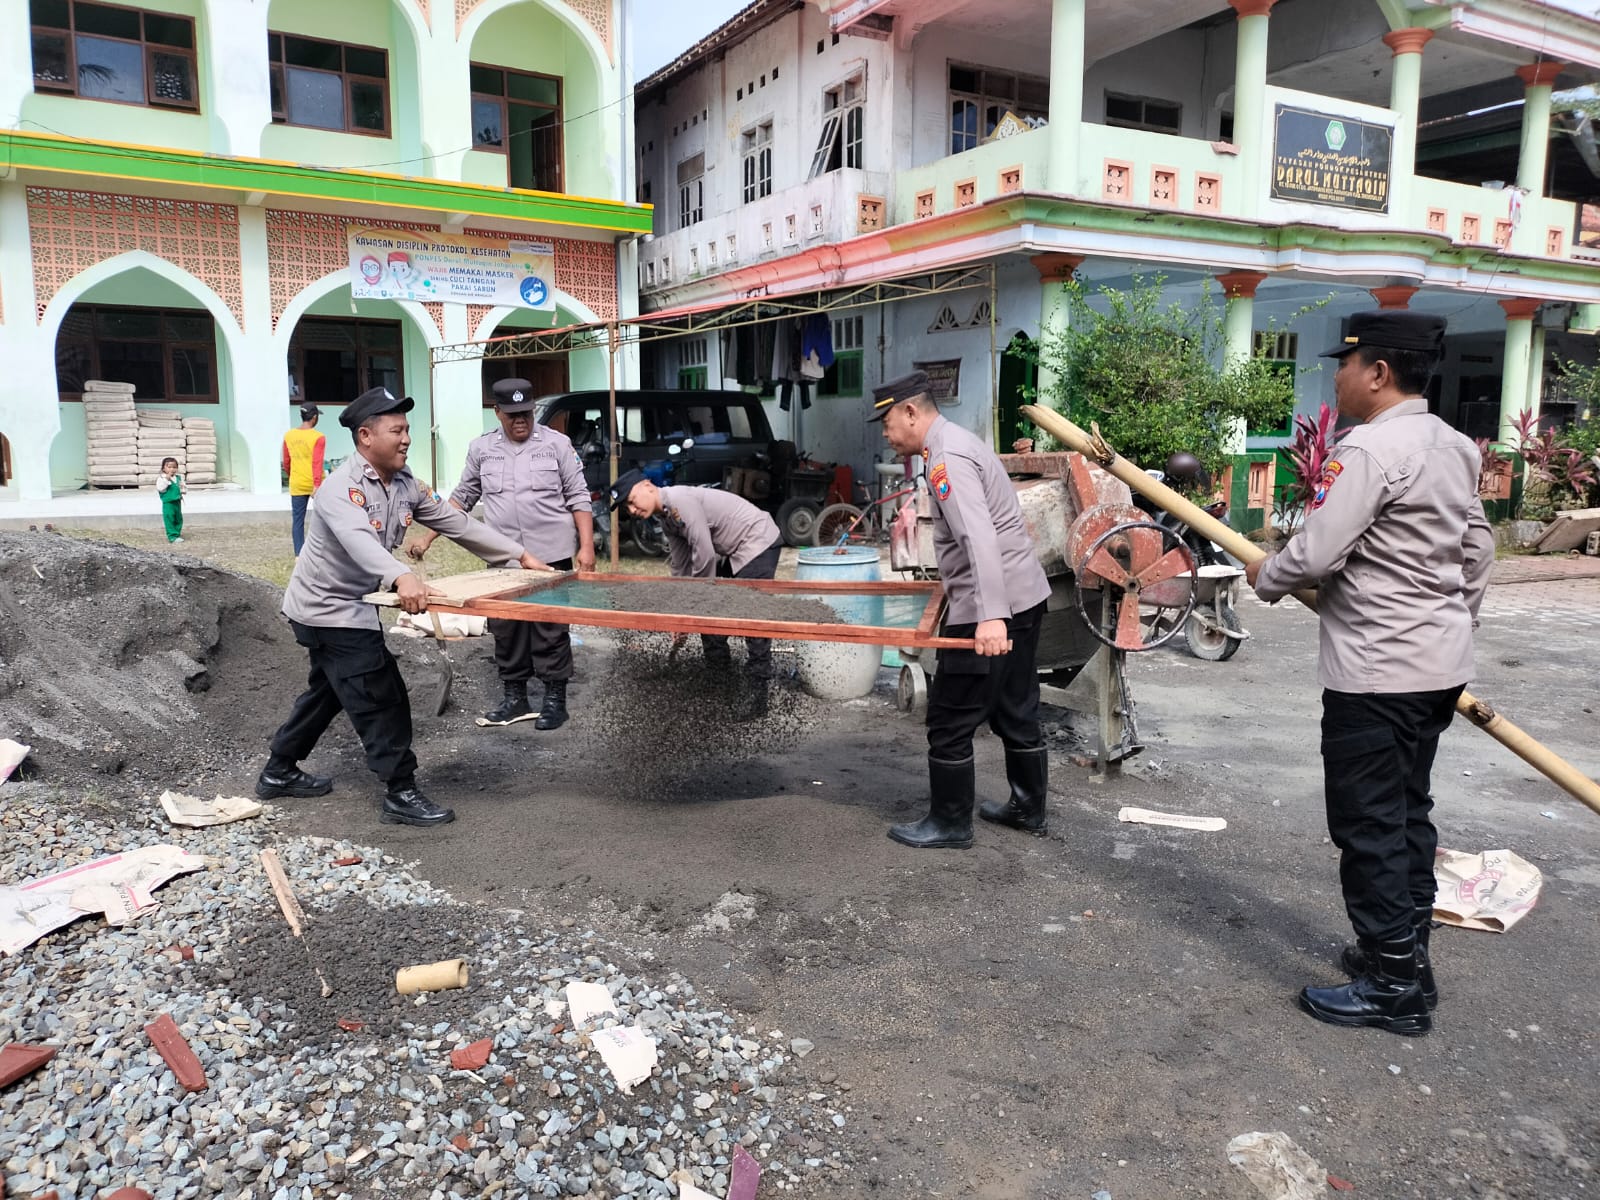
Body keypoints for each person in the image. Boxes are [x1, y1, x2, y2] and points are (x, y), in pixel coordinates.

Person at [1245, 311, 1494, 1036]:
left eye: (1346, 365)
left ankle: (1394, 991)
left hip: (1377, 674)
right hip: (1435, 668)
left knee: (1370, 824)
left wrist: (1267, 573)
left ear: (1379, 372)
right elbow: (1476, 553)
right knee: (1408, 812)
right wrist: (1449, 620)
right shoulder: (1453, 446)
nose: (1337, 377)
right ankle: (1404, 956)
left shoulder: (1369, 451)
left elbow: (1316, 555)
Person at [256, 386, 549, 828]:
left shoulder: (405, 483)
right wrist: (402, 575)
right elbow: (359, 542)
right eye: (397, 430)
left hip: (354, 605)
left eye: (407, 429)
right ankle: (400, 791)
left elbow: (456, 522)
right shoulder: (341, 488)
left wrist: (517, 555)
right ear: (365, 437)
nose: (406, 438)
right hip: (326, 610)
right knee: (381, 695)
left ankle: (278, 771)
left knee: (330, 690)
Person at [871, 371, 1052, 849]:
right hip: (1024, 594)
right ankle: (1028, 808)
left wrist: (991, 615)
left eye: (887, 423)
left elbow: (978, 536)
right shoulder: (952, 443)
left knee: (950, 715)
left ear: (912, 411)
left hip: (992, 603)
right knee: (1016, 705)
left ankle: (951, 823)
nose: (886, 435)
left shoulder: (945, 457)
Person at [408, 377, 595, 730]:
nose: (520, 420)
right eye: (512, 415)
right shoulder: (482, 449)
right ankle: (515, 698)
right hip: (502, 560)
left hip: (550, 555)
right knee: (506, 628)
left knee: (549, 628)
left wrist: (586, 547)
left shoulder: (557, 445)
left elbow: (578, 496)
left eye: (525, 412)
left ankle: (555, 700)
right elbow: (461, 499)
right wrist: (428, 537)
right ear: (497, 412)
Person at [608, 467, 782, 717]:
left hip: (757, 541)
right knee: (709, 621)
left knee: (752, 618)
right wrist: (680, 615)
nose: (633, 511)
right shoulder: (666, 518)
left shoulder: (680, 501)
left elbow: (705, 556)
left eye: (632, 501)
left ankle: (757, 697)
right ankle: (720, 689)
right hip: (734, 550)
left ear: (647, 486)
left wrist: (697, 604)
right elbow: (680, 566)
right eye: (628, 509)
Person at [283, 403, 327, 555]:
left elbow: (286, 461)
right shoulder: (318, 437)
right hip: (315, 485)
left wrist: (292, 476)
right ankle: (322, 551)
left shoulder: (289, 435)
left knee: (298, 520)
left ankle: (299, 554)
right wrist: (316, 484)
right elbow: (317, 462)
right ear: (314, 417)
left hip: (297, 482)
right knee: (324, 518)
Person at [156, 456, 185, 543]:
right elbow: (160, 489)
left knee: (178, 518)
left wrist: (183, 489)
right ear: (163, 468)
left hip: (177, 501)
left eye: (174, 467)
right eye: (169, 467)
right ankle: (172, 536)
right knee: (169, 518)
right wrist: (166, 480)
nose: (172, 469)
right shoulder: (161, 478)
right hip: (168, 503)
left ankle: (177, 533)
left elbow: (182, 487)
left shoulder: (178, 478)